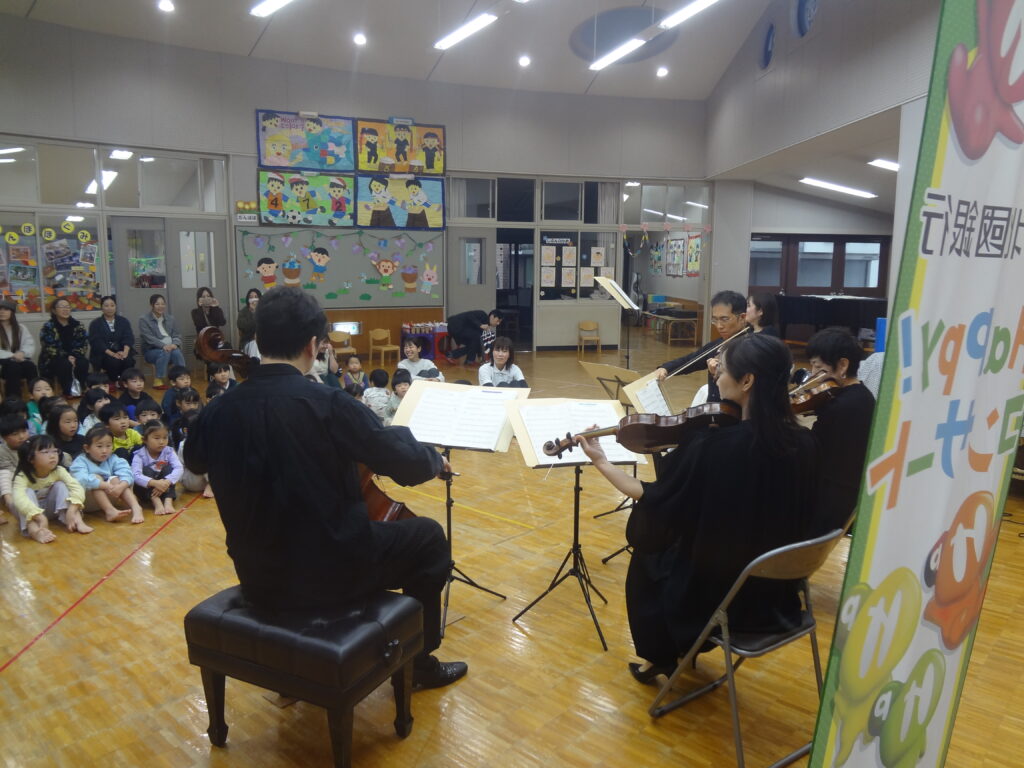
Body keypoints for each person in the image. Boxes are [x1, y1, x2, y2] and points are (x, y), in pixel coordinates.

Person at [184, 287, 467, 689]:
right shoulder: (329, 404)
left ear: (258, 340)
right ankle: (419, 664)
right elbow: (401, 462)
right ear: (313, 344)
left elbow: (194, 462)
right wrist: (433, 460)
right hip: (334, 573)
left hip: (258, 575)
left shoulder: (217, 411)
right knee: (429, 538)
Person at [575, 333, 822, 682]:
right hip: (780, 597)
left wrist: (601, 461)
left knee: (649, 554)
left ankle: (661, 654)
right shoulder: (806, 442)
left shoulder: (716, 446)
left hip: (725, 601)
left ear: (747, 381)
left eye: (723, 370)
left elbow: (656, 499)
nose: (716, 376)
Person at [805, 327, 876, 530]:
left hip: (833, 500)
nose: (812, 374)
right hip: (851, 492)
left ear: (843, 365)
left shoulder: (840, 406)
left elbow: (812, 450)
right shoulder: (863, 395)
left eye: (818, 367)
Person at [653, 290, 748, 404]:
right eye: (715, 319)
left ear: (742, 317)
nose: (719, 326)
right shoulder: (719, 344)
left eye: (724, 319)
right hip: (713, 409)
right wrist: (665, 368)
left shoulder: (750, 348)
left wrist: (718, 374)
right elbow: (691, 360)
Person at [13, 434, 91, 543]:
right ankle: (35, 532)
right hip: (33, 514)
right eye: (46, 452)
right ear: (31, 458)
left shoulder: (59, 471)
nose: (53, 456)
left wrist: (72, 509)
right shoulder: (22, 476)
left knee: (61, 485)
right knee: (27, 493)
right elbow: (19, 499)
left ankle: (76, 521)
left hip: (50, 510)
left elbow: (77, 487)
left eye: (55, 451)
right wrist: (39, 516)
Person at [70, 426, 144, 524]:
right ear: (87, 448)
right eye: (99, 446)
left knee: (117, 479)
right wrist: (104, 485)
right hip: (87, 502)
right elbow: (81, 479)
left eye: (108, 446)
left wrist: (122, 485)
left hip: (111, 495)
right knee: (96, 478)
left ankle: (136, 507)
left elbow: (126, 471)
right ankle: (110, 511)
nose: (104, 450)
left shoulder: (112, 458)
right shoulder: (80, 461)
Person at [38, 297, 90, 398]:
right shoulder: (48, 327)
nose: (65, 309)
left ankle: (80, 388)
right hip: (53, 358)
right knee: (64, 364)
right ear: (54, 310)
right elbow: (49, 347)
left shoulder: (78, 325)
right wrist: (67, 356)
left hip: (75, 356)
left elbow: (83, 344)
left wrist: (74, 355)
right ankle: (68, 391)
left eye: (67, 307)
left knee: (83, 362)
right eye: (61, 307)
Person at [132, 420, 182, 516]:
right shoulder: (140, 455)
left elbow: (179, 468)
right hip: (146, 491)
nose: (161, 442)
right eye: (157, 438)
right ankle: (156, 501)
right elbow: (135, 475)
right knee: (146, 470)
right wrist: (154, 483)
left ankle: (168, 501)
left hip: (165, 488)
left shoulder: (168, 451)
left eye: (165, 437)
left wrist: (167, 482)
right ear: (144, 439)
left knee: (169, 468)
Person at [138, 294, 186, 390]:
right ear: (151, 305)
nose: (161, 306)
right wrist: (163, 346)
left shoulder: (170, 318)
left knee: (177, 352)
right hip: (151, 351)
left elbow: (177, 334)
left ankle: (182, 377)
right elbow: (148, 338)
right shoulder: (144, 319)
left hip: (170, 348)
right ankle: (158, 380)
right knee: (165, 352)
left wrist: (174, 344)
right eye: (157, 304)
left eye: (163, 304)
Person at [88, 295, 136, 384]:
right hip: (104, 353)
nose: (110, 308)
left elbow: (128, 337)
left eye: (112, 305)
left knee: (128, 360)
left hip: (121, 351)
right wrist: (112, 354)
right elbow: (96, 342)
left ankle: (124, 382)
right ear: (101, 308)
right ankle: (112, 381)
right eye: (106, 306)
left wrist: (125, 352)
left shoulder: (123, 321)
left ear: (115, 307)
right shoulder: (95, 323)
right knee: (113, 362)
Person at [0, 297, 37, 397]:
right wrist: (12, 355)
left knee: (30, 366)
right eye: (0, 309)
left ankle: (35, 397)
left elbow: (29, 344)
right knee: (13, 367)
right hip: (3, 365)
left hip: (19, 360)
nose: (2, 312)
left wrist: (22, 352)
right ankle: (14, 400)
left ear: (12, 312)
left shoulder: (20, 328)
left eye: (6, 309)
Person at [0, 413, 30, 526]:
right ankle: (9, 501)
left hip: (33, 482)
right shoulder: (2, 451)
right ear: (4, 437)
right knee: (5, 474)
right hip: (14, 484)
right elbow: (8, 475)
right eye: (15, 434)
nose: (21, 436)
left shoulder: (33, 445)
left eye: (24, 431)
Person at [175, 411, 213, 498]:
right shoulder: (184, 445)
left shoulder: (206, 441)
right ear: (186, 430)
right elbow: (189, 466)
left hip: (202, 478)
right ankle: (210, 485)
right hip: (192, 480)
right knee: (205, 461)